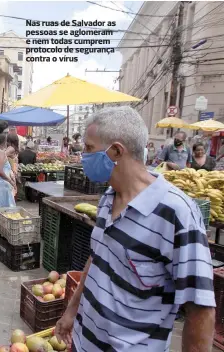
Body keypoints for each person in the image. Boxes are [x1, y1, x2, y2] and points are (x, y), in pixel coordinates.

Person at [54, 106, 215, 351]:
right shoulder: (109, 196)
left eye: (88, 149)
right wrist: (71, 312)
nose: (82, 156)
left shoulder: (177, 213)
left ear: (116, 151)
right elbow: (97, 257)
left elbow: (200, 309)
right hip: (83, 342)